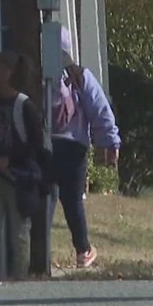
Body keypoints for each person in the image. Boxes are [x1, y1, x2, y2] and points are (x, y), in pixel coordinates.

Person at [38, 27, 121, 270]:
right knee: (72, 200)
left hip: (44, 144)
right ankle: (83, 250)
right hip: (74, 147)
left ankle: (40, 251)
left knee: (46, 197)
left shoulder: (36, 74)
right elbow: (100, 111)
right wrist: (109, 143)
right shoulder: (79, 75)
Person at [0, 51, 50, 281]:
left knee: (20, 228)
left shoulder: (24, 105)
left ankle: (20, 273)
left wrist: (11, 160)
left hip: (20, 176)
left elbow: (36, 143)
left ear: (6, 73)